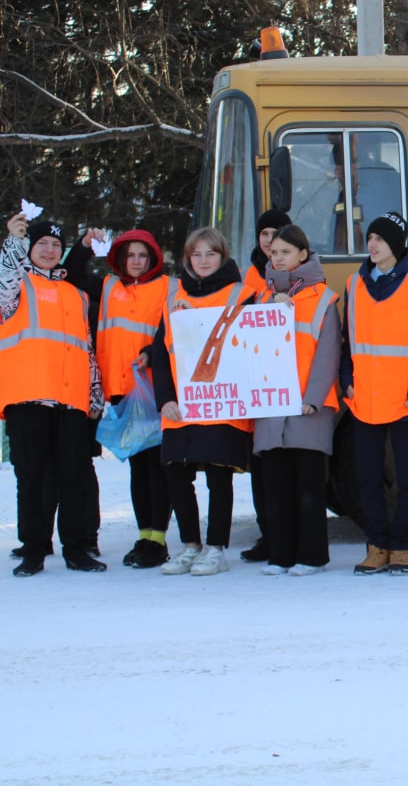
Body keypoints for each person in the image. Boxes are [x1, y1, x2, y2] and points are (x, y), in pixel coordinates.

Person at [340, 212, 408, 576]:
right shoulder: (354, 284)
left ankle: (401, 545)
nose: (372, 244)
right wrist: (346, 381)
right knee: (368, 479)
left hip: (405, 402)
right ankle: (377, 546)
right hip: (364, 400)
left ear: (396, 245)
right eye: (370, 237)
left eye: (380, 239)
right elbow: (346, 342)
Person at [2, 212, 106, 576]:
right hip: (28, 397)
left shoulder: (74, 293)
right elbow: (5, 277)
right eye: (41, 243)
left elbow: (85, 346)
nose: (48, 250)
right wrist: (14, 241)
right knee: (32, 477)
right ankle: (33, 551)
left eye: (55, 245)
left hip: (72, 399)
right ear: (30, 248)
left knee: (74, 475)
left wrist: (94, 394)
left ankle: (77, 549)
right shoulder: (18, 285)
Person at [66, 227, 173, 568]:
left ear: (153, 257)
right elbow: (73, 273)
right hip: (120, 391)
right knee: (138, 468)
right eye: (131, 255)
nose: (137, 261)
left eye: (143, 255)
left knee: (158, 468)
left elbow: (172, 330)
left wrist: (149, 351)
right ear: (120, 259)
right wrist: (84, 244)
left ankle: (158, 540)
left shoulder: (169, 287)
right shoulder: (109, 286)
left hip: (156, 388)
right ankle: (144, 536)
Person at [150, 228, 255, 576]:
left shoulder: (241, 293)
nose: (204, 260)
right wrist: (165, 399)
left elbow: (257, 339)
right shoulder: (173, 299)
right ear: (187, 259)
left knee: (217, 477)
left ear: (222, 257)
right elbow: (161, 355)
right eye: (197, 254)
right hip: (182, 403)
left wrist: (279, 302)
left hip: (221, 403)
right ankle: (190, 545)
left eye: (211, 253)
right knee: (177, 475)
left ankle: (216, 548)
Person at [253, 225, 341, 575]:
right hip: (271, 406)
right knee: (275, 485)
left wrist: (314, 398)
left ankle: (312, 556)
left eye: (285, 252)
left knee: (308, 485)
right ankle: (280, 555)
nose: (278, 258)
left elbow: (328, 353)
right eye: (274, 253)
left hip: (307, 406)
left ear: (303, 255)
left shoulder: (323, 299)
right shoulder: (261, 298)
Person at [239, 208, 292, 564]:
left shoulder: (298, 274)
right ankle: (267, 533)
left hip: (288, 380)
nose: (269, 240)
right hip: (257, 380)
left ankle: (289, 533)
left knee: (287, 463)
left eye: (276, 233)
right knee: (260, 465)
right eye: (264, 233)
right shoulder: (248, 276)